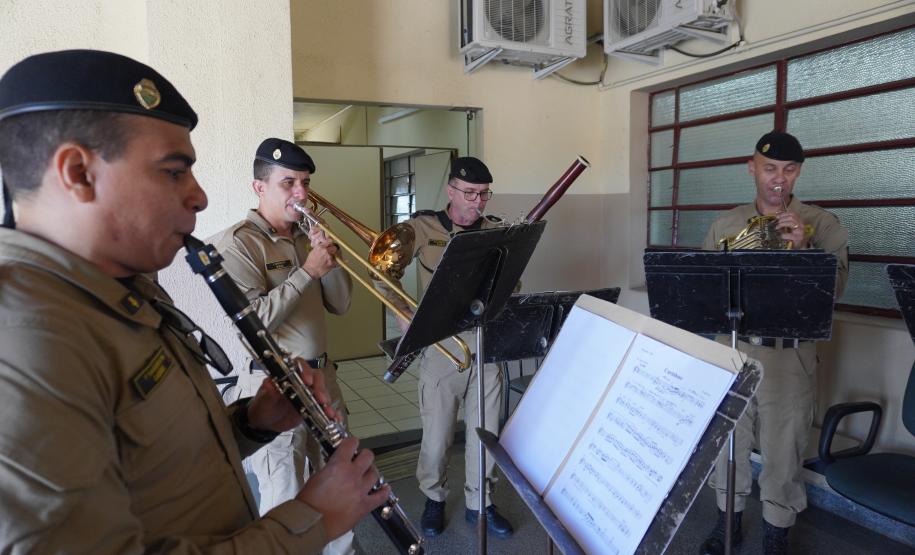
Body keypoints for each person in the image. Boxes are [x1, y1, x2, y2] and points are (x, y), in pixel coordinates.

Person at [0, 49, 386, 554]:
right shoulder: (26, 337)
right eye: (173, 171)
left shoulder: (124, 287)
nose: (200, 197)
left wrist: (250, 422)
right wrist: (311, 518)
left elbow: (160, 461)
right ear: (78, 173)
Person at [700, 131, 849, 555]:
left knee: (784, 452)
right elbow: (703, 291)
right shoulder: (725, 224)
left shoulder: (823, 224)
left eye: (788, 170)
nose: (778, 179)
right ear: (752, 168)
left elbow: (834, 291)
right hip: (734, 348)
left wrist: (803, 248)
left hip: (789, 355)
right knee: (728, 441)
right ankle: (726, 522)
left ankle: (775, 533)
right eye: (769, 169)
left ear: (799, 172)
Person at [210, 138, 356, 554]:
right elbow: (253, 324)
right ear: (259, 187)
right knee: (285, 501)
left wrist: (326, 256)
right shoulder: (238, 243)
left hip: (324, 378)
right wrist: (307, 272)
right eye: (288, 182)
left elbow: (342, 304)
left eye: (305, 182)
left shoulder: (306, 237)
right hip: (277, 385)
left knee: (339, 484)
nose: (302, 194)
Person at [374, 156, 514, 538]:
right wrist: (404, 312)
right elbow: (381, 271)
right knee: (437, 436)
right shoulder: (422, 227)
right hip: (441, 347)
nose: (477, 202)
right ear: (451, 190)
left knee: (485, 432)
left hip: (485, 345)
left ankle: (480, 503)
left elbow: (511, 285)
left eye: (484, 194)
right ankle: (434, 499)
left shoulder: (495, 231)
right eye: (469, 193)